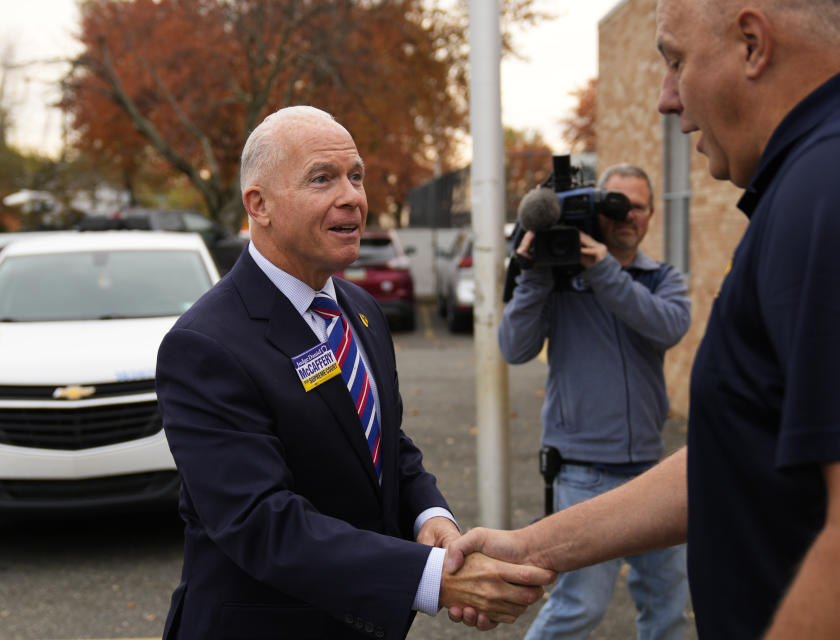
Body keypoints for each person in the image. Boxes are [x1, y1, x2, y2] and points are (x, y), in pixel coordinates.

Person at [446, 0, 840, 638]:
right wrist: (534, 547)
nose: (667, 99)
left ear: (751, 42)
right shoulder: (836, 174)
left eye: (676, 61)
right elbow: (736, 457)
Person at [155, 106, 553, 640]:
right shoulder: (203, 345)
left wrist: (429, 518)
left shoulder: (360, 309)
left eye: (356, 176)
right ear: (260, 205)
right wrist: (435, 579)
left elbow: (384, 442)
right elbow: (261, 522)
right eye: (323, 178)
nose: (353, 197)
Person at [499, 163, 691, 639]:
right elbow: (514, 348)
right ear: (594, 210)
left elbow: (667, 326)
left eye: (637, 207)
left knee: (667, 610)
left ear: (650, 215)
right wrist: (535, 273)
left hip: (651, 471)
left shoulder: (662, 278)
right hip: (583, 471)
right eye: (615, 203)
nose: (626, 215)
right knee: (578, 608)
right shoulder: (558, 280)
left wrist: (602, 270)